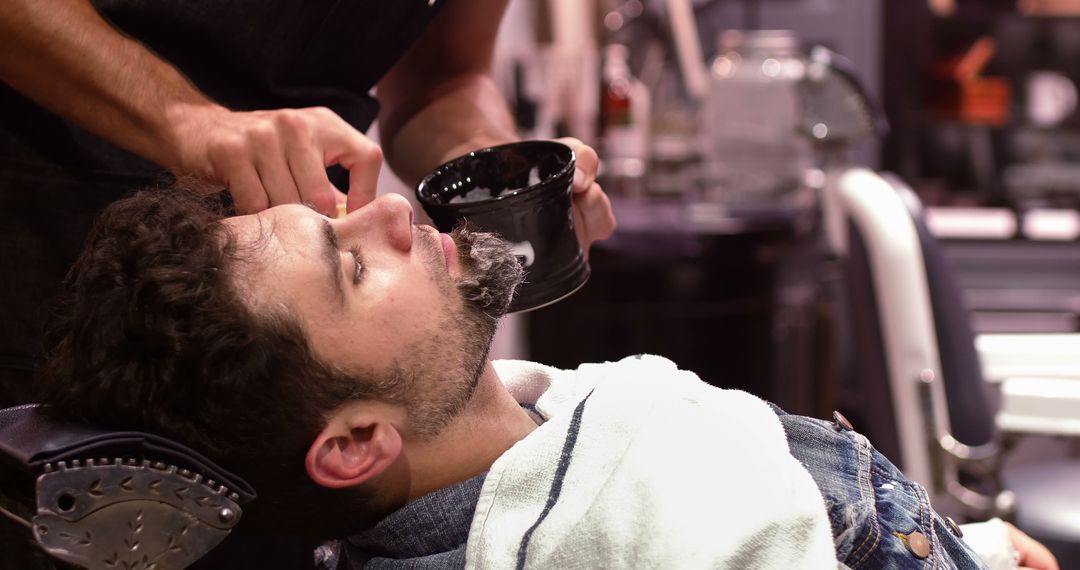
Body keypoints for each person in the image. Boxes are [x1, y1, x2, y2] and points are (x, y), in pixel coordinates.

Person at [32, 188, 1058, 570]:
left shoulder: (540, 425)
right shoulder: (604, 526)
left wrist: (964, 544)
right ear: (352, 442)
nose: (389, 213)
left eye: (338, 213)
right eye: (352, 266)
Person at [0, 0, 615, 407]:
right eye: (356, 267)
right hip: (42, 216)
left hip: (303, 268)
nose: (398, 213)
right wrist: (185, 120)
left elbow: (443, 77)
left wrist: (497, 171)